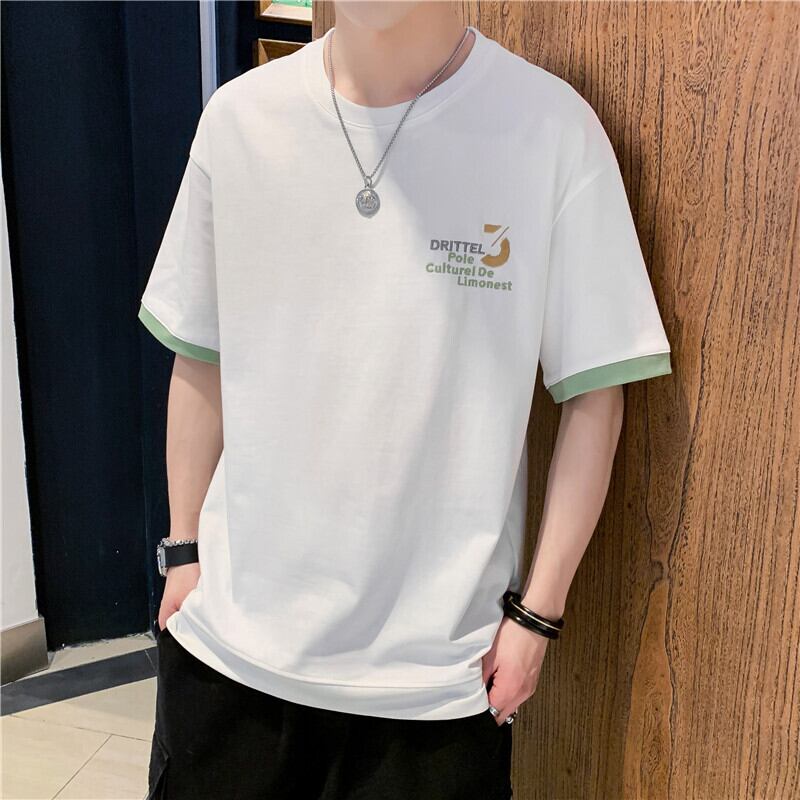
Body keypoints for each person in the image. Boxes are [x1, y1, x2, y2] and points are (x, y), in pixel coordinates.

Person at [138, 1, 673, 798]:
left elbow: (597, 390)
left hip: (436, 687)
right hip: (229, 660)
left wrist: (537, 617)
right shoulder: (241, 119)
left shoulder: (550, 131)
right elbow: (200, 350)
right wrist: (183, 552)